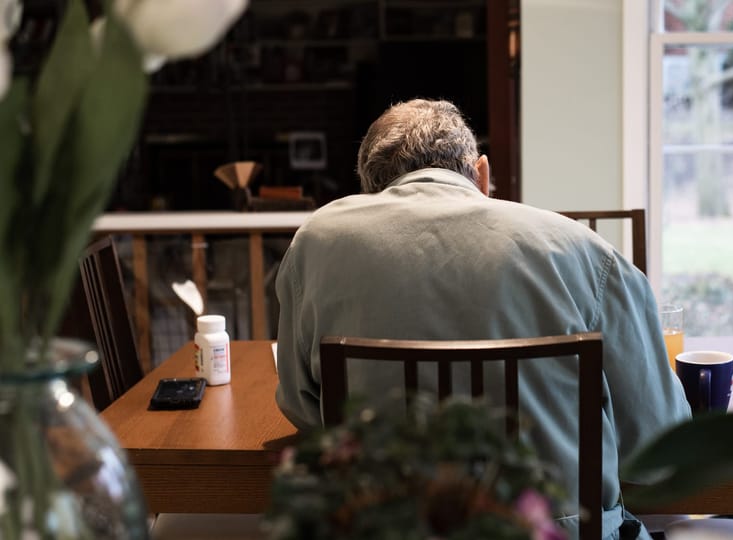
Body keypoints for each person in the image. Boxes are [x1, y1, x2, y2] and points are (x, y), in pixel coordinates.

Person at [274, 98, 691, 539]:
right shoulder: (583, 252)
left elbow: (306, 410)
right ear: (483, 174)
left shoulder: (316, 244)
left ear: (371, 191)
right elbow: (659, 449)